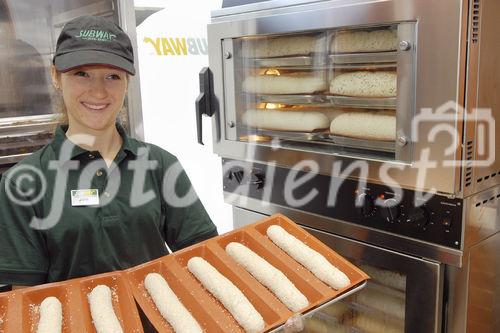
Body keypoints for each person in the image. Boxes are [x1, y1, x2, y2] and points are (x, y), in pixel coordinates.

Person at [0, 15, 218, 287]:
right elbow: (26, 299)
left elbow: (203, 258)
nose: (99, 91)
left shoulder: (159, 164)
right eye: (82, 74)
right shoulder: (24, 182)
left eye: (113, 76)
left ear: (127, 82)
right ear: (56, 76)